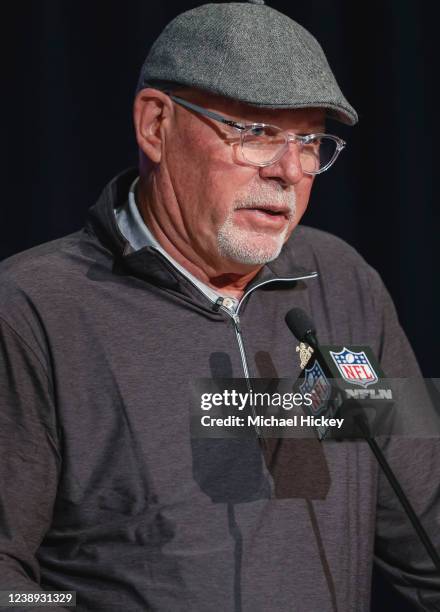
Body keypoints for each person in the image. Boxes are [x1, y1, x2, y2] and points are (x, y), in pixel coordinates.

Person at [0, 1, 438, 611]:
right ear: (157, 126)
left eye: (309, 140)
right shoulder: (34, 309)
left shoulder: (339, 283)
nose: (289, 170)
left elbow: (426, 525)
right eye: (257, 132)